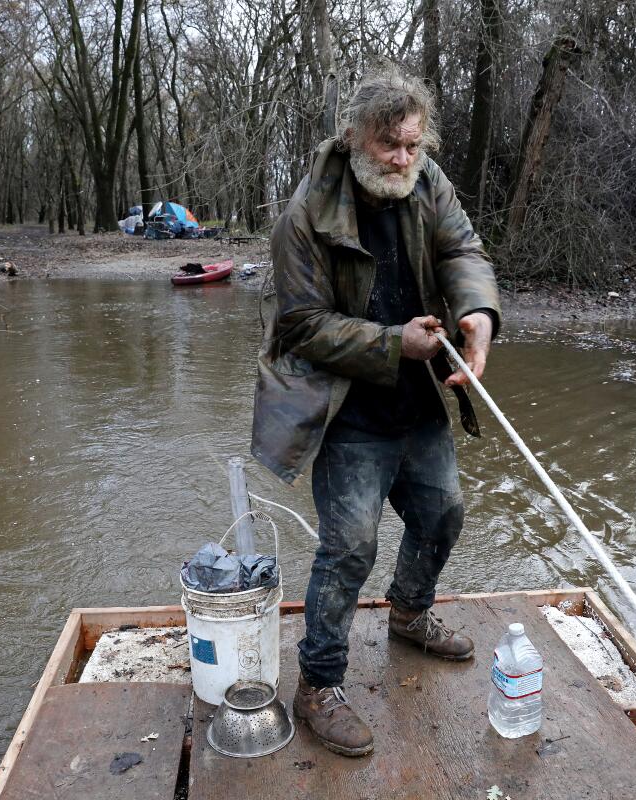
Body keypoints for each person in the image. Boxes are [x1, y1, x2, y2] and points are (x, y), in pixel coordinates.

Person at [250, 69, 500, 757]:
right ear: (356, 136)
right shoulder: (305, 215)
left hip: (418, 397)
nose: (403, 160)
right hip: (346, 409)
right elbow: (301, 326)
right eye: (391, 145)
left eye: (414, 146)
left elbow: (462, 249)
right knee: (350, 547)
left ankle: (410, 612)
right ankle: (318, 685)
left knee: (443, 512)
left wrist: (476, 317)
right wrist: (394, 342)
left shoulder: (427, 180)